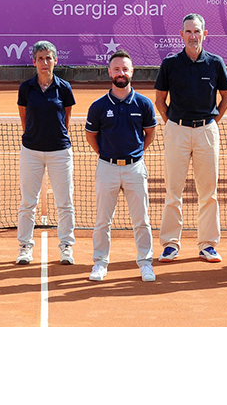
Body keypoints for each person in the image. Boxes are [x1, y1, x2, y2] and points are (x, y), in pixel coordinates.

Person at [154, 13, 227, 264]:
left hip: (206, 131)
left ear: (204, 34)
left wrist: (209, 124)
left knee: (208, 192)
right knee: (173, 191)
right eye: (188, 31)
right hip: (177, 130)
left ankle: (208, 245)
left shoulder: (216, 63)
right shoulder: (170, 64)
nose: (192, 36)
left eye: (197, 31)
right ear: (181, 35)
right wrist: (175, 125)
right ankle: (170, 244)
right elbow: (159, 100)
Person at [85, 49, 158, 282]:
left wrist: (134, 155)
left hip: (135, 168)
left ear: (132, 71)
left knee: (142, 220)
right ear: (109, 72)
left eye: (125, 69)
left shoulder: (144, 103)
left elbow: (150, 134)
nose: (121, 73)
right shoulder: (98, 106)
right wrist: (107, 156)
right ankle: (100, 263)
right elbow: (91, 136)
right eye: (116, 69)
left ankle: (145, 263)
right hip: (107, 167)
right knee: (102, 221)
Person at [16, 40, 76, 265]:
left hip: (60, 152)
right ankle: (24, 246)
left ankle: (66, 246)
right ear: (34, 61)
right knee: (28, 202)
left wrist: (54, 138)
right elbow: (24, 117)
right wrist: (35, 137)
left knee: (65, 202)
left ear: (55, 61)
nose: (45, 62)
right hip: (31, 151)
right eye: (40, 58)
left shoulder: (64, 87)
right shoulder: (26, 88)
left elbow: (66, 118)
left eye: (48, 58)